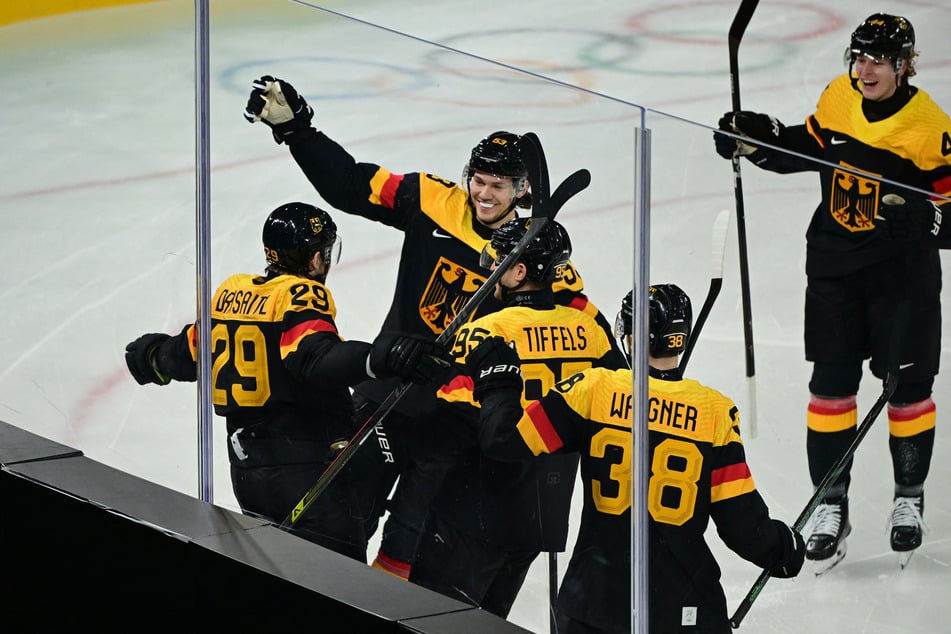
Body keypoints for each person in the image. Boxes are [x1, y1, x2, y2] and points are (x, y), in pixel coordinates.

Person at [244, 76, 622, 578]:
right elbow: (352, 186)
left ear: (522, 190)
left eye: (499, 186)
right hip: (390, 387)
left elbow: (584, 326)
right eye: (479, 181)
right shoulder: (431, 199)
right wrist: (297, 131)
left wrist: (638, 380)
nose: (485, 194)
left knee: (409, 541)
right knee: (344, 505)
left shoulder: (534, 256)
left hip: (456, 417)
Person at [713, 12, 951, 571]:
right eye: (859, 57)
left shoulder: (930, 129)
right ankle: (831, 504)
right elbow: (809, 149)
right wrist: (759, 142)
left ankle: (908, 500)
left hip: (902, 280)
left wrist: (929, 223)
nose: (865, 70)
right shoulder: (839, 98)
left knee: (908, 391)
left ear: (904, 64)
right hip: (834, 269)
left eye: (878, 60)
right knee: (830, 390)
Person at [464, 285, 804, 633]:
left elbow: (505, 442)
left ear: (629, 336)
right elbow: (745, 530)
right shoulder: (714, 413)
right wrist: (784, 550)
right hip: (682, 605)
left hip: (594, 601)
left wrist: (499, 383)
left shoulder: (594, 390)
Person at [124, 203, 446, 562]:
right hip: (308, 475)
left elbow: (184, 354)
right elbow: (314, 357)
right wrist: (381, 357)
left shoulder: (232, 295)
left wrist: (149, 357)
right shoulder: (299, 295)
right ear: (312, 259)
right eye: (324, 252)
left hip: (249, 474)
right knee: (338, 585)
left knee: (277, 568)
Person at [410, 217, 628, 617]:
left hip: (474, 509)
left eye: (498, 262)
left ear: (520, 271)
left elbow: (447, 417)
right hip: (542, 513)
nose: (489, 268)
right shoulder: (590, 329)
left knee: (427, 620)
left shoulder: (487, 329)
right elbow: (622, 397)